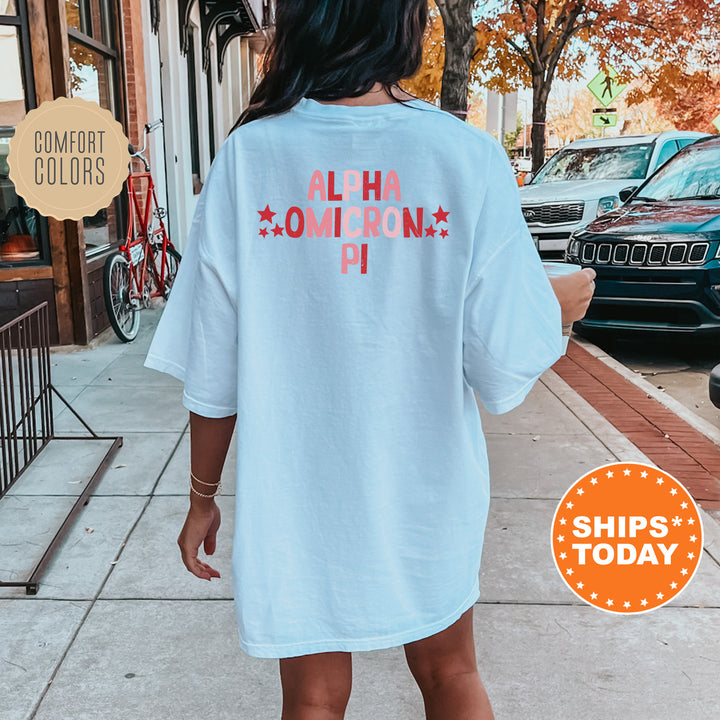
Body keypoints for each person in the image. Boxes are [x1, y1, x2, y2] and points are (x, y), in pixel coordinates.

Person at [143, 1, 596, 718]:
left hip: (298, 488)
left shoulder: (251, 156)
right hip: (428, 481)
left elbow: (213, 360)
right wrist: (561, 306)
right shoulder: (465, 156)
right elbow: (503, 355)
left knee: (314, 698)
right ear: (405, 23)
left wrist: (202, 497)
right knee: (451, 673)